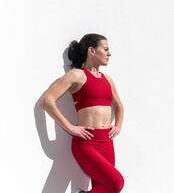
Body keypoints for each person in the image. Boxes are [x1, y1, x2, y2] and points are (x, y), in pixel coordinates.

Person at [40, 33, 125, 193]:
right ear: (91, 51)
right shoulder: (77, 75)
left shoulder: (108, 79)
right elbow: (47, 101)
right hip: (87, 143)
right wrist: (70, 128)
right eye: (105, 49)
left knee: (105, 187)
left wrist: (118, 126)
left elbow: (119, 106)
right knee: (116, 183)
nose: (109, 53)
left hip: (107, 142)